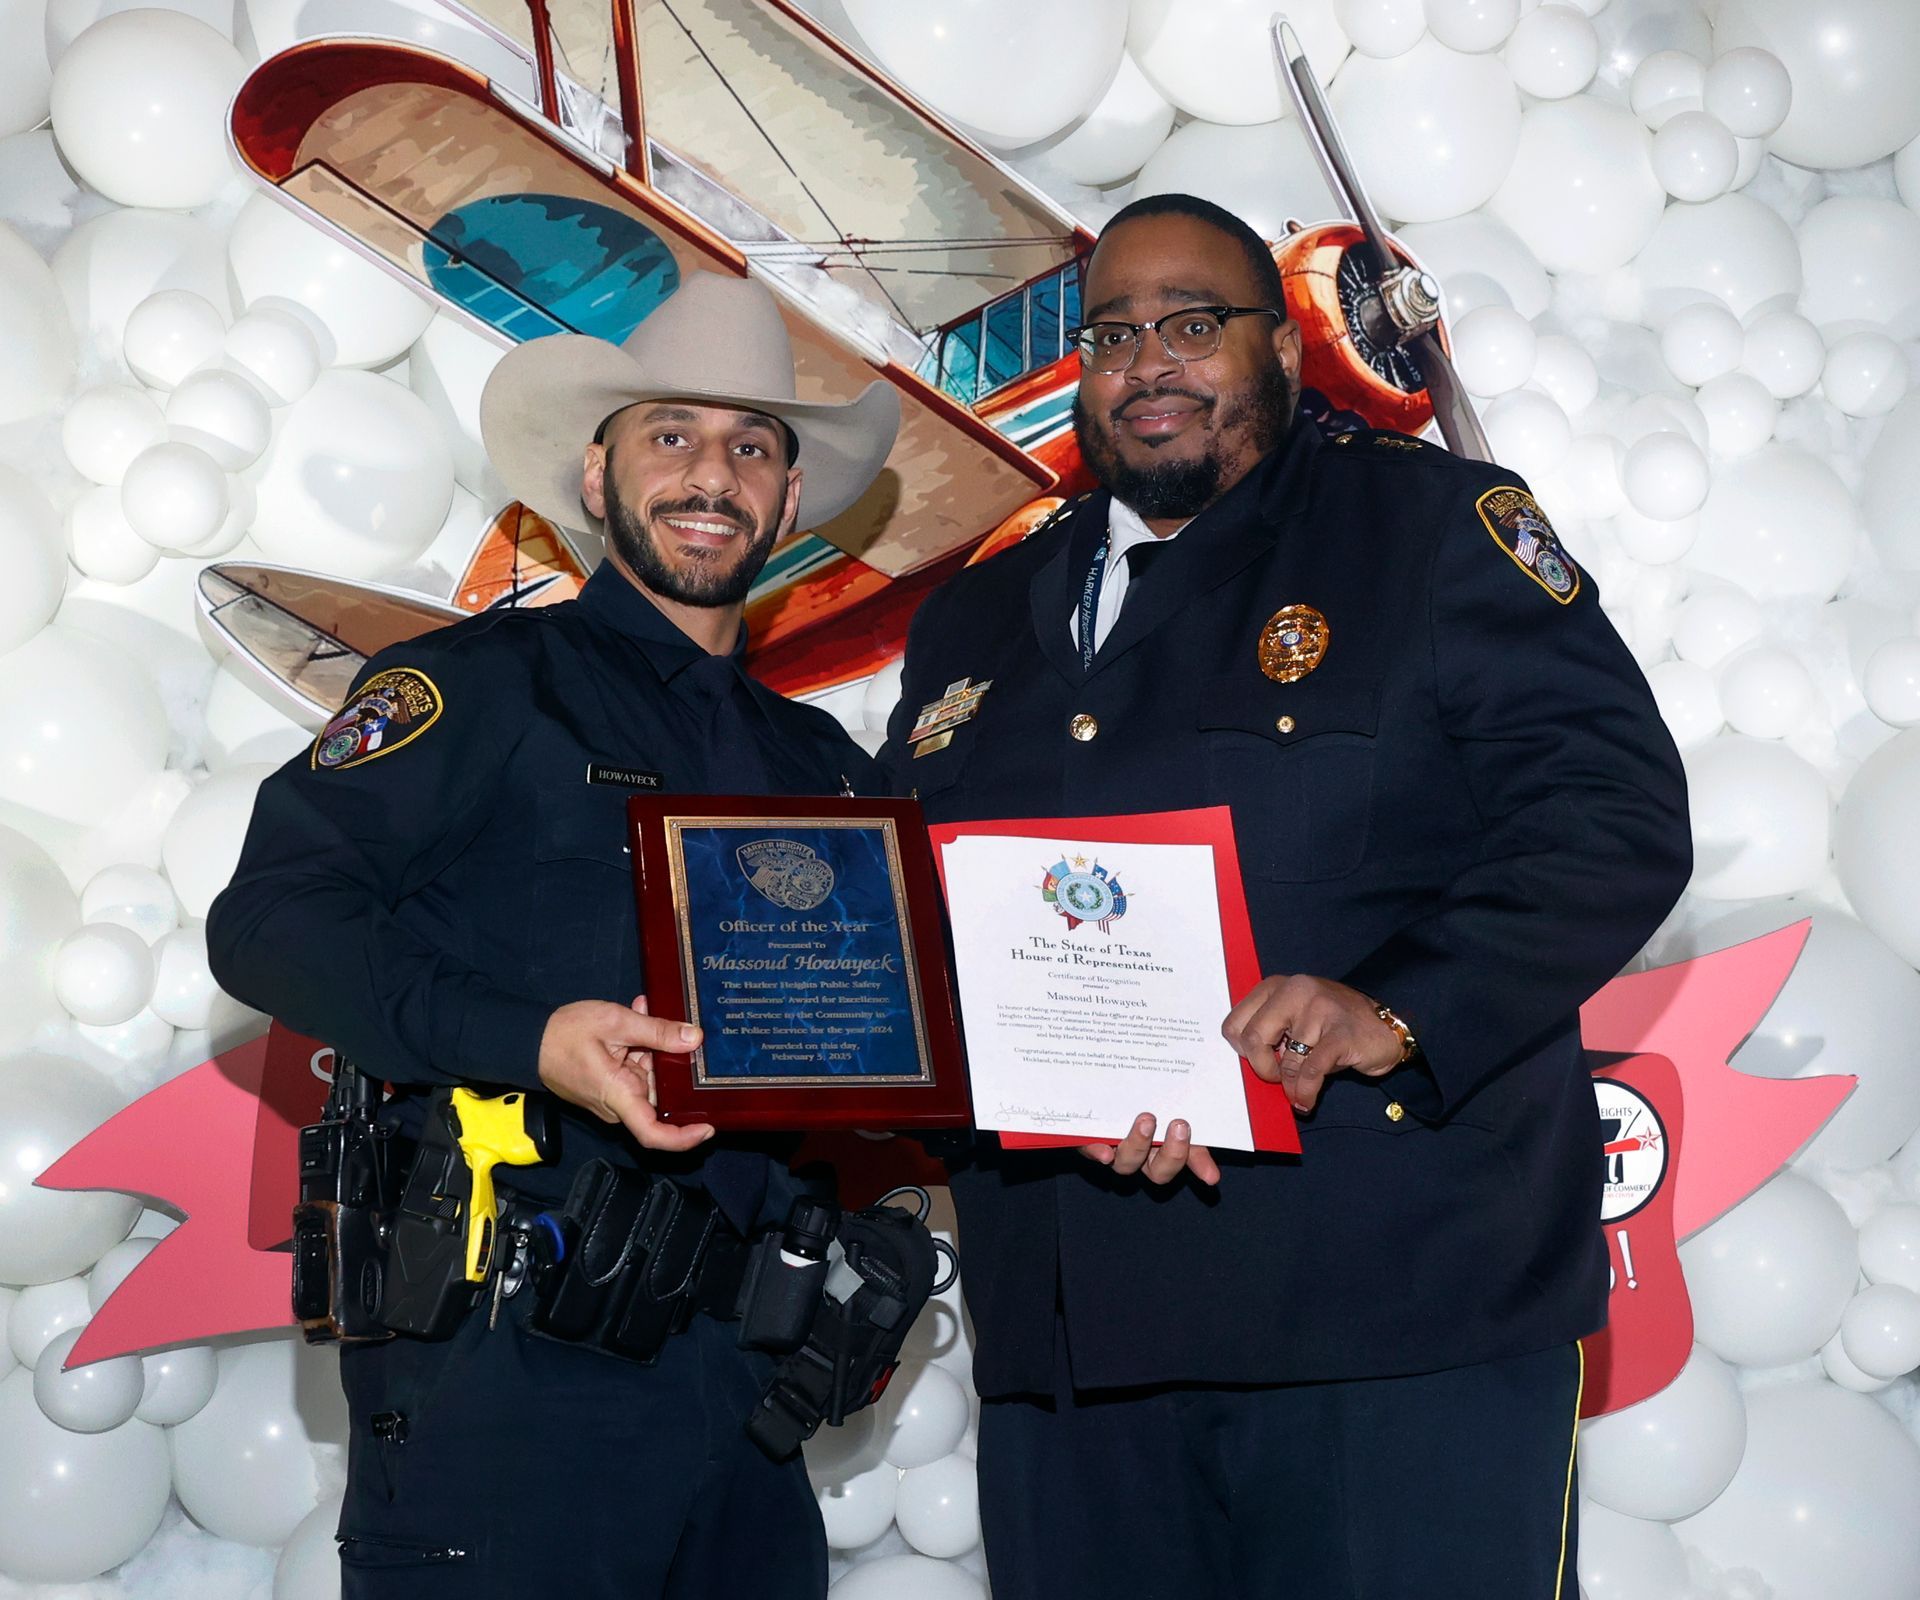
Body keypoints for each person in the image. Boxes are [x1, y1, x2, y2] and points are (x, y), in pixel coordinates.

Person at [883, 193, 1692, 1599]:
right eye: (1113, 334)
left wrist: (1397, 1009)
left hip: (1390, 1320)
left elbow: (1613, 816)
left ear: (1285, 348)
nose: (1149, 362)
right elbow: (920, 919)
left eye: (1193, 324)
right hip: (1074, 1347)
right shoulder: (976, 612)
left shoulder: (1425, 528)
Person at [208, 273, 900, 1600]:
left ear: (790, 499)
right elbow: (269, 921)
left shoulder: (827, 772)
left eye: (752, 447)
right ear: (596, 473)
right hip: (506, 1381)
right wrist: (533, 1043)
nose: (713, 474)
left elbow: (911, 1047)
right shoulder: (478, 688)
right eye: (671, 436)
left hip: (746, 1405)